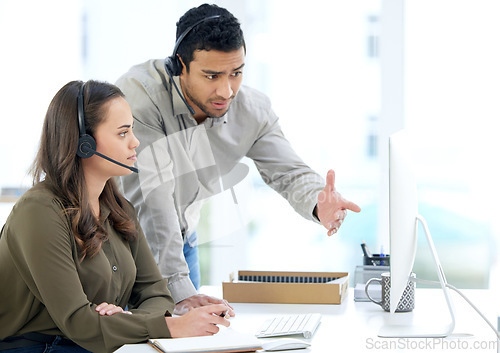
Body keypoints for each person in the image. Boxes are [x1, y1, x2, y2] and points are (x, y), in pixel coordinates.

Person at [116, 4, 361, 315]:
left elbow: (289, 171)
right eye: (212, 75)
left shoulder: (251, 110)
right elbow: (154, 200)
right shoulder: (140, 98)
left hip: (181, 242)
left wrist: (317, 200)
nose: (226, 90)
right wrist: (178, 287)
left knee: (193, 342)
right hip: (125, 247)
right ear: (180, 65)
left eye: (236, 73)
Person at [0, 80, 230, 353]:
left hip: (98, 344)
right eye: (122, 133)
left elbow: (157, 293)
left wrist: (127, 319)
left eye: (131, 130)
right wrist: (171, 327)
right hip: (38, 347)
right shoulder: (38, 211)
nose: (135, 142)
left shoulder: (119, 208)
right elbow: (79, 321)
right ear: (83, 144)